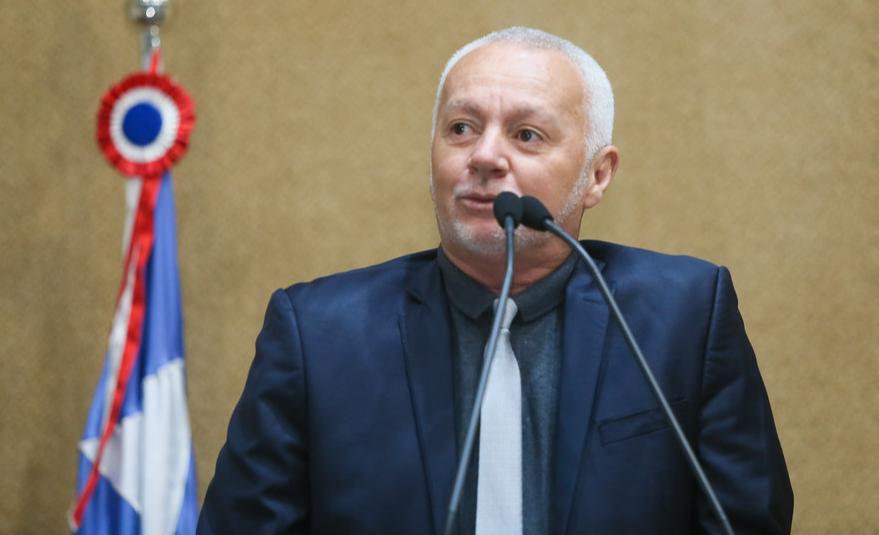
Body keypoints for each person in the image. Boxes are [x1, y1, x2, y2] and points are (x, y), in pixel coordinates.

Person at [198, 27, 793, 534]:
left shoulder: (684, 316)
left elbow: (746, 520)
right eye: (461, 128)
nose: (484, 156)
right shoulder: (318, 335)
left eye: (526, 135)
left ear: (598, 175)